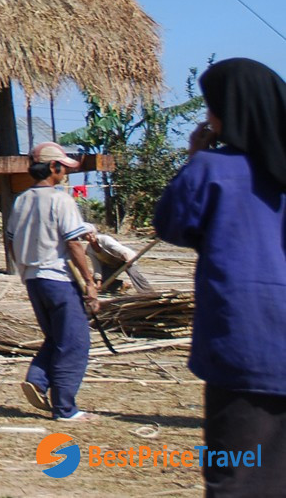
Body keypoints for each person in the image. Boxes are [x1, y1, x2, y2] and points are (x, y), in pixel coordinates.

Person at [155, 57, 286, 495]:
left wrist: (195, 158)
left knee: (237, 472)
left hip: (244, 343)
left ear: (226, 112)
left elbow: (174, 224)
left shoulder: (212, 170)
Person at [5, 140, 99, 421]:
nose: (65, 173)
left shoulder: (21, 200)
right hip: (58, 279)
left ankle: (37, 379)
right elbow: (73, 244)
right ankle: (65, 408)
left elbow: (9, 241)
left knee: (57, 337)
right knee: (75, 342)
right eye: (63, 167)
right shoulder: (61, 200)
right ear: (53, 167)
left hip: (33, 280)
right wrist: (90, 281)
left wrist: (22, 266)